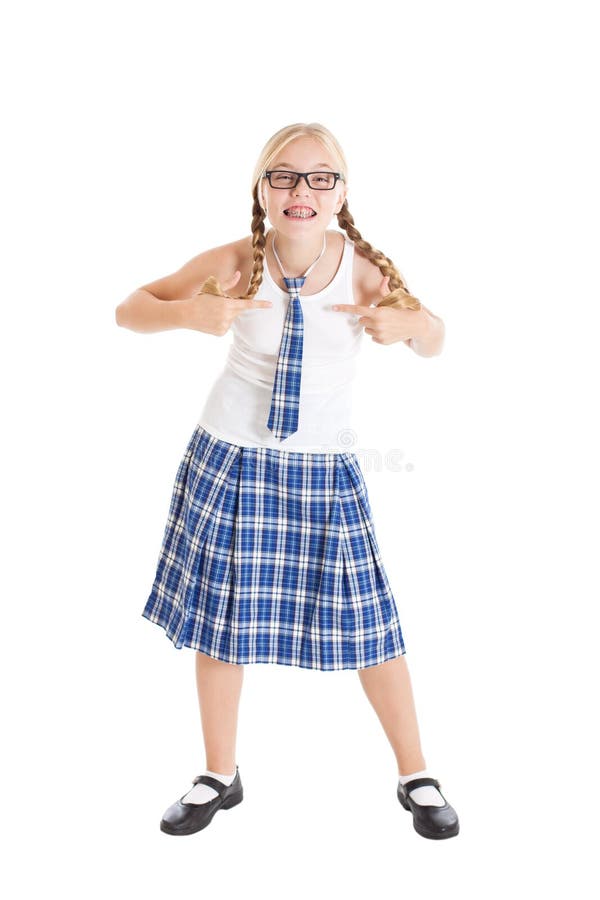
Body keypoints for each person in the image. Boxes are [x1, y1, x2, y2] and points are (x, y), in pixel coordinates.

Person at [115, 122, 459, 841]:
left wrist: (415, 326)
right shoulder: (238, 260)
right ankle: (219, 772)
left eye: (319, 177)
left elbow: (436, 337)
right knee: (221, 622)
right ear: (261, 188)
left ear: (341, 191)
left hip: (321, 467)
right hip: (232, 456)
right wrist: (189, 314)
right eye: (284, 176)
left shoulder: (363, 268)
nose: (301, 191)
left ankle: (416, 772)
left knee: (371, 624)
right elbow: (130, 309)